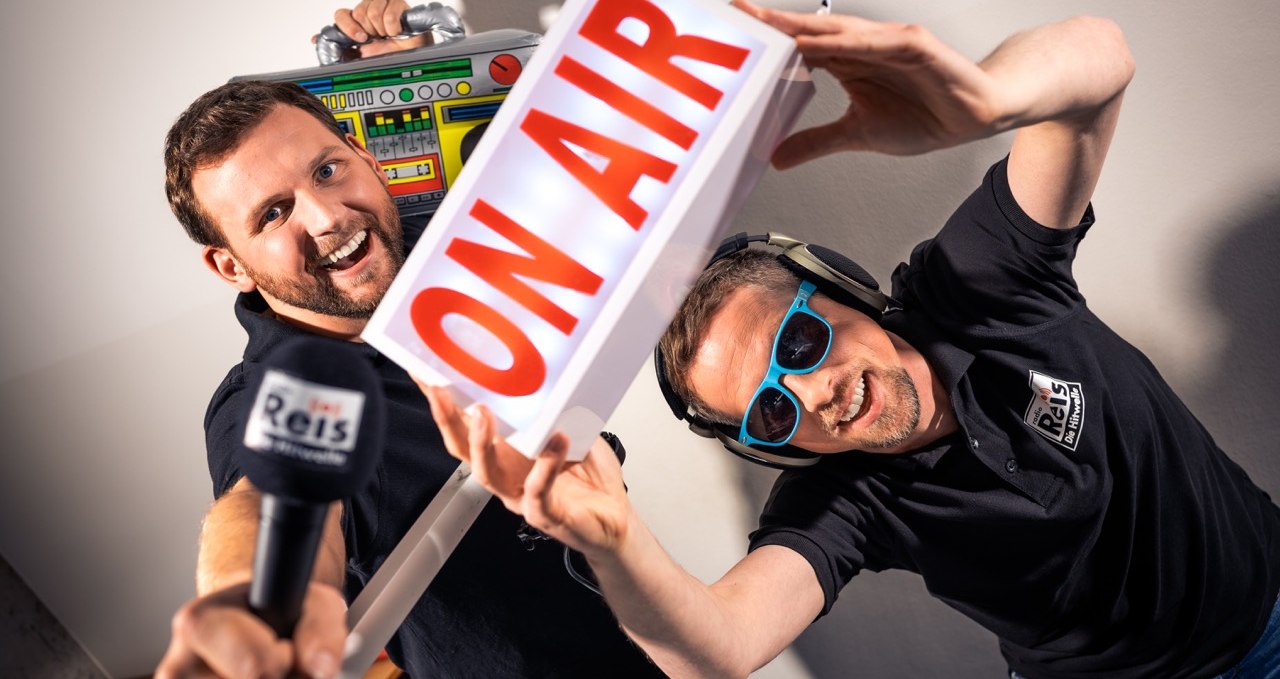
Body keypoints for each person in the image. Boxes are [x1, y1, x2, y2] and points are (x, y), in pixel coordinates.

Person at [421, 2, 1280, 678]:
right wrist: (614, 543)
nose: (808, 394)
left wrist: (989, 101)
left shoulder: (982, 283)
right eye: (767, 411)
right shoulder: (848, 499)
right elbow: (720, 647)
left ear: (843, 293)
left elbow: (1101, 60)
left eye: (795, 344)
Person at [152, 2, 664, 677]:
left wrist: (419, 72)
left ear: (367, 158)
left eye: (328, 170)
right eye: (273, 213)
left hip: (656, 636)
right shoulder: (277, 396)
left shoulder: (443, 254)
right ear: (231, 265)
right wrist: (257, 599)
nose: (328, 217)